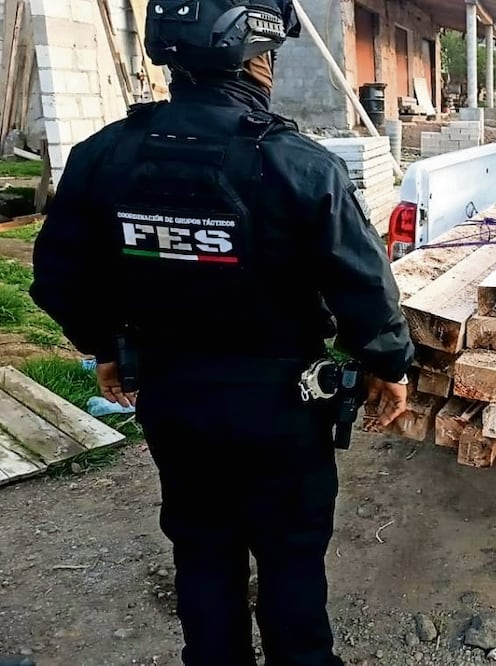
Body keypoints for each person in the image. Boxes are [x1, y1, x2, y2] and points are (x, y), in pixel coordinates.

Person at [28, 0, 415, 661]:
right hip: (281, 406)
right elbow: (362, 286)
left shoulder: (102, 157)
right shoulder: (302, 165)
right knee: (292, 559)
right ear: (254, 55)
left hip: (175, 399)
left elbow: (60, 277)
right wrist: (389, 364)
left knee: (203, 554)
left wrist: (106, 347)